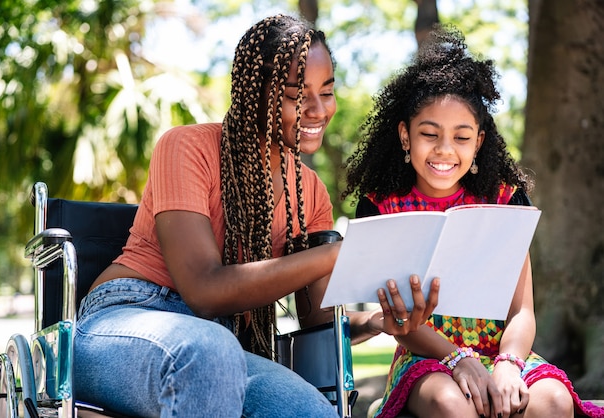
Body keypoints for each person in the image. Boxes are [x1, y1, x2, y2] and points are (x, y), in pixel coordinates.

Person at [73, 14, 439, 418]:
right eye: (296, 94)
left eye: (328, 91)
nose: (317, 110)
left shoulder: (311, 193)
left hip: (220, 349)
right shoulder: (186, 148)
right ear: (255, 96)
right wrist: (339, 255)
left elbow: (318, 318)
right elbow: (204, 290)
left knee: (314, 412)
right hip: (128, 319)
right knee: (208, 350)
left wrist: (377, 322)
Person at [344, 25, 604, 418]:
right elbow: (400, 320)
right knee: (453, 404)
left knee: (552, 401)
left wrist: (509, 364)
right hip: (427, 359)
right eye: (429, 134)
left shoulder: (504, 201)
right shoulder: (382, 208)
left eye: (461, 137)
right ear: (404, 136)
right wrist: (458, 360)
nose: (445, 150)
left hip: (505, 354)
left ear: (479, 141)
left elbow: (522, 311)